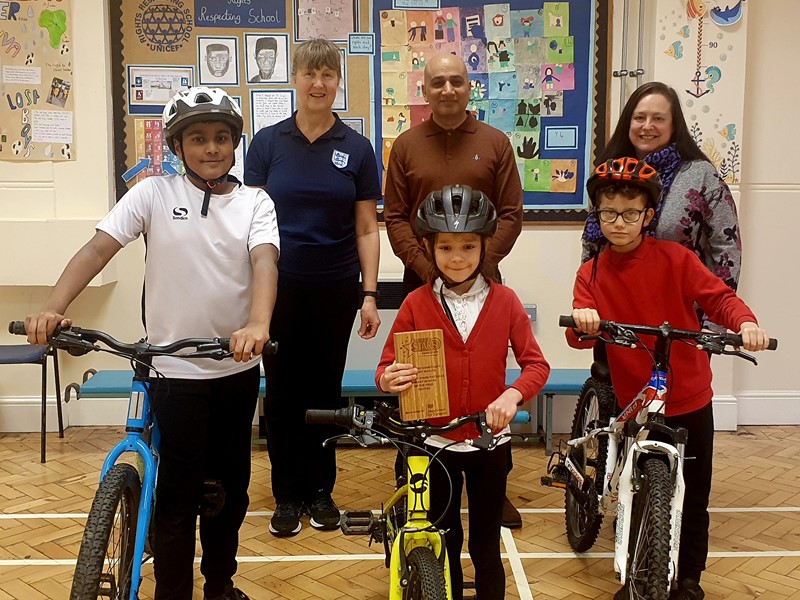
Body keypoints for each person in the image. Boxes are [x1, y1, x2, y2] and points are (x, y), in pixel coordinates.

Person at [25, 87, 280, 600]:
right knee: (178, 496)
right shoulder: (152, 194)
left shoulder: (255, 201)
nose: (212, 148)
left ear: (235, 144)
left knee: (229, 492)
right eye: (199, 139)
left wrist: (257, 324)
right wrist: (55, 306)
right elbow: (99, 248)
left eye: (222, 138)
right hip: (175, 373)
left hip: (233, 370)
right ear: (178, 146)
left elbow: (264, 262)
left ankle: (220, 583)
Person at [567, 158, 770, 600]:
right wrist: (585, 320)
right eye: (608, 213)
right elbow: (579, 333)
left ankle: (689, 579)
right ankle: (640, 573)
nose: (618, 223)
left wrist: (746, 323)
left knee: (694, 496)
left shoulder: (676, 258)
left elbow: (719, 299)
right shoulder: (593, 271)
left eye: (630, 213)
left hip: (689, 395)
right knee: (636, 490)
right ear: (597, 216)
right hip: (633, 397)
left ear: (648, 216)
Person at [376, 186, 550, 600]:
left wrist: (513, 396)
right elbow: (384, 367)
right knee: (447, 539)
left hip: (490, 444)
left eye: (468, 246)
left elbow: (536, 365)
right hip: (434, 444)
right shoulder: (416, 304)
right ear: (428, 247)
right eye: (447, 247)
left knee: (485, 546)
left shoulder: (506, 301)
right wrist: (388, 379)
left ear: (484, 246)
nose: (458, 257)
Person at [244, 37, 382, 538]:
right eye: (310, 73)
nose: (319, 83)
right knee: (281, 391)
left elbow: (367, 227)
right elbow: (252, 221)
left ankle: (321, 491)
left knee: (325, 390)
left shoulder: (357, 148)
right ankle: (286, 495)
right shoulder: (267, 143)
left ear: (338, 81)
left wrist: (369, 293)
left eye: (328, 74)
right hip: (277, 289)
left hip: (336, 290)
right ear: (296, 79)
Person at [383, 52, 525, 528]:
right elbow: (396, 217)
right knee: (422, 391)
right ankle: (415, 485)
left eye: (456, 81)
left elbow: (510, 214)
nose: (447, 89)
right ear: (424, 90)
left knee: (482, 380)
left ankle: (492, 487)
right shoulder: (404, 146)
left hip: (483, 283)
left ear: (470, 88)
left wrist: (475, 266)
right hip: (422, 281)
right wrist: (430, 270)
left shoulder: (496, 143)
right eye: (437, 82)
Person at [582, 81, 742, 321]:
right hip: (616, 318)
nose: (647, 126)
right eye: (639, 118)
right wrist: (588, 308)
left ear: (673, 125)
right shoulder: (610, 174)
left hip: (683, 319)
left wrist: (714, 323)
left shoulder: (700, 176)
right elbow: (592, 248)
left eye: (658, 118)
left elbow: (726, 247)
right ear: (628, 122)